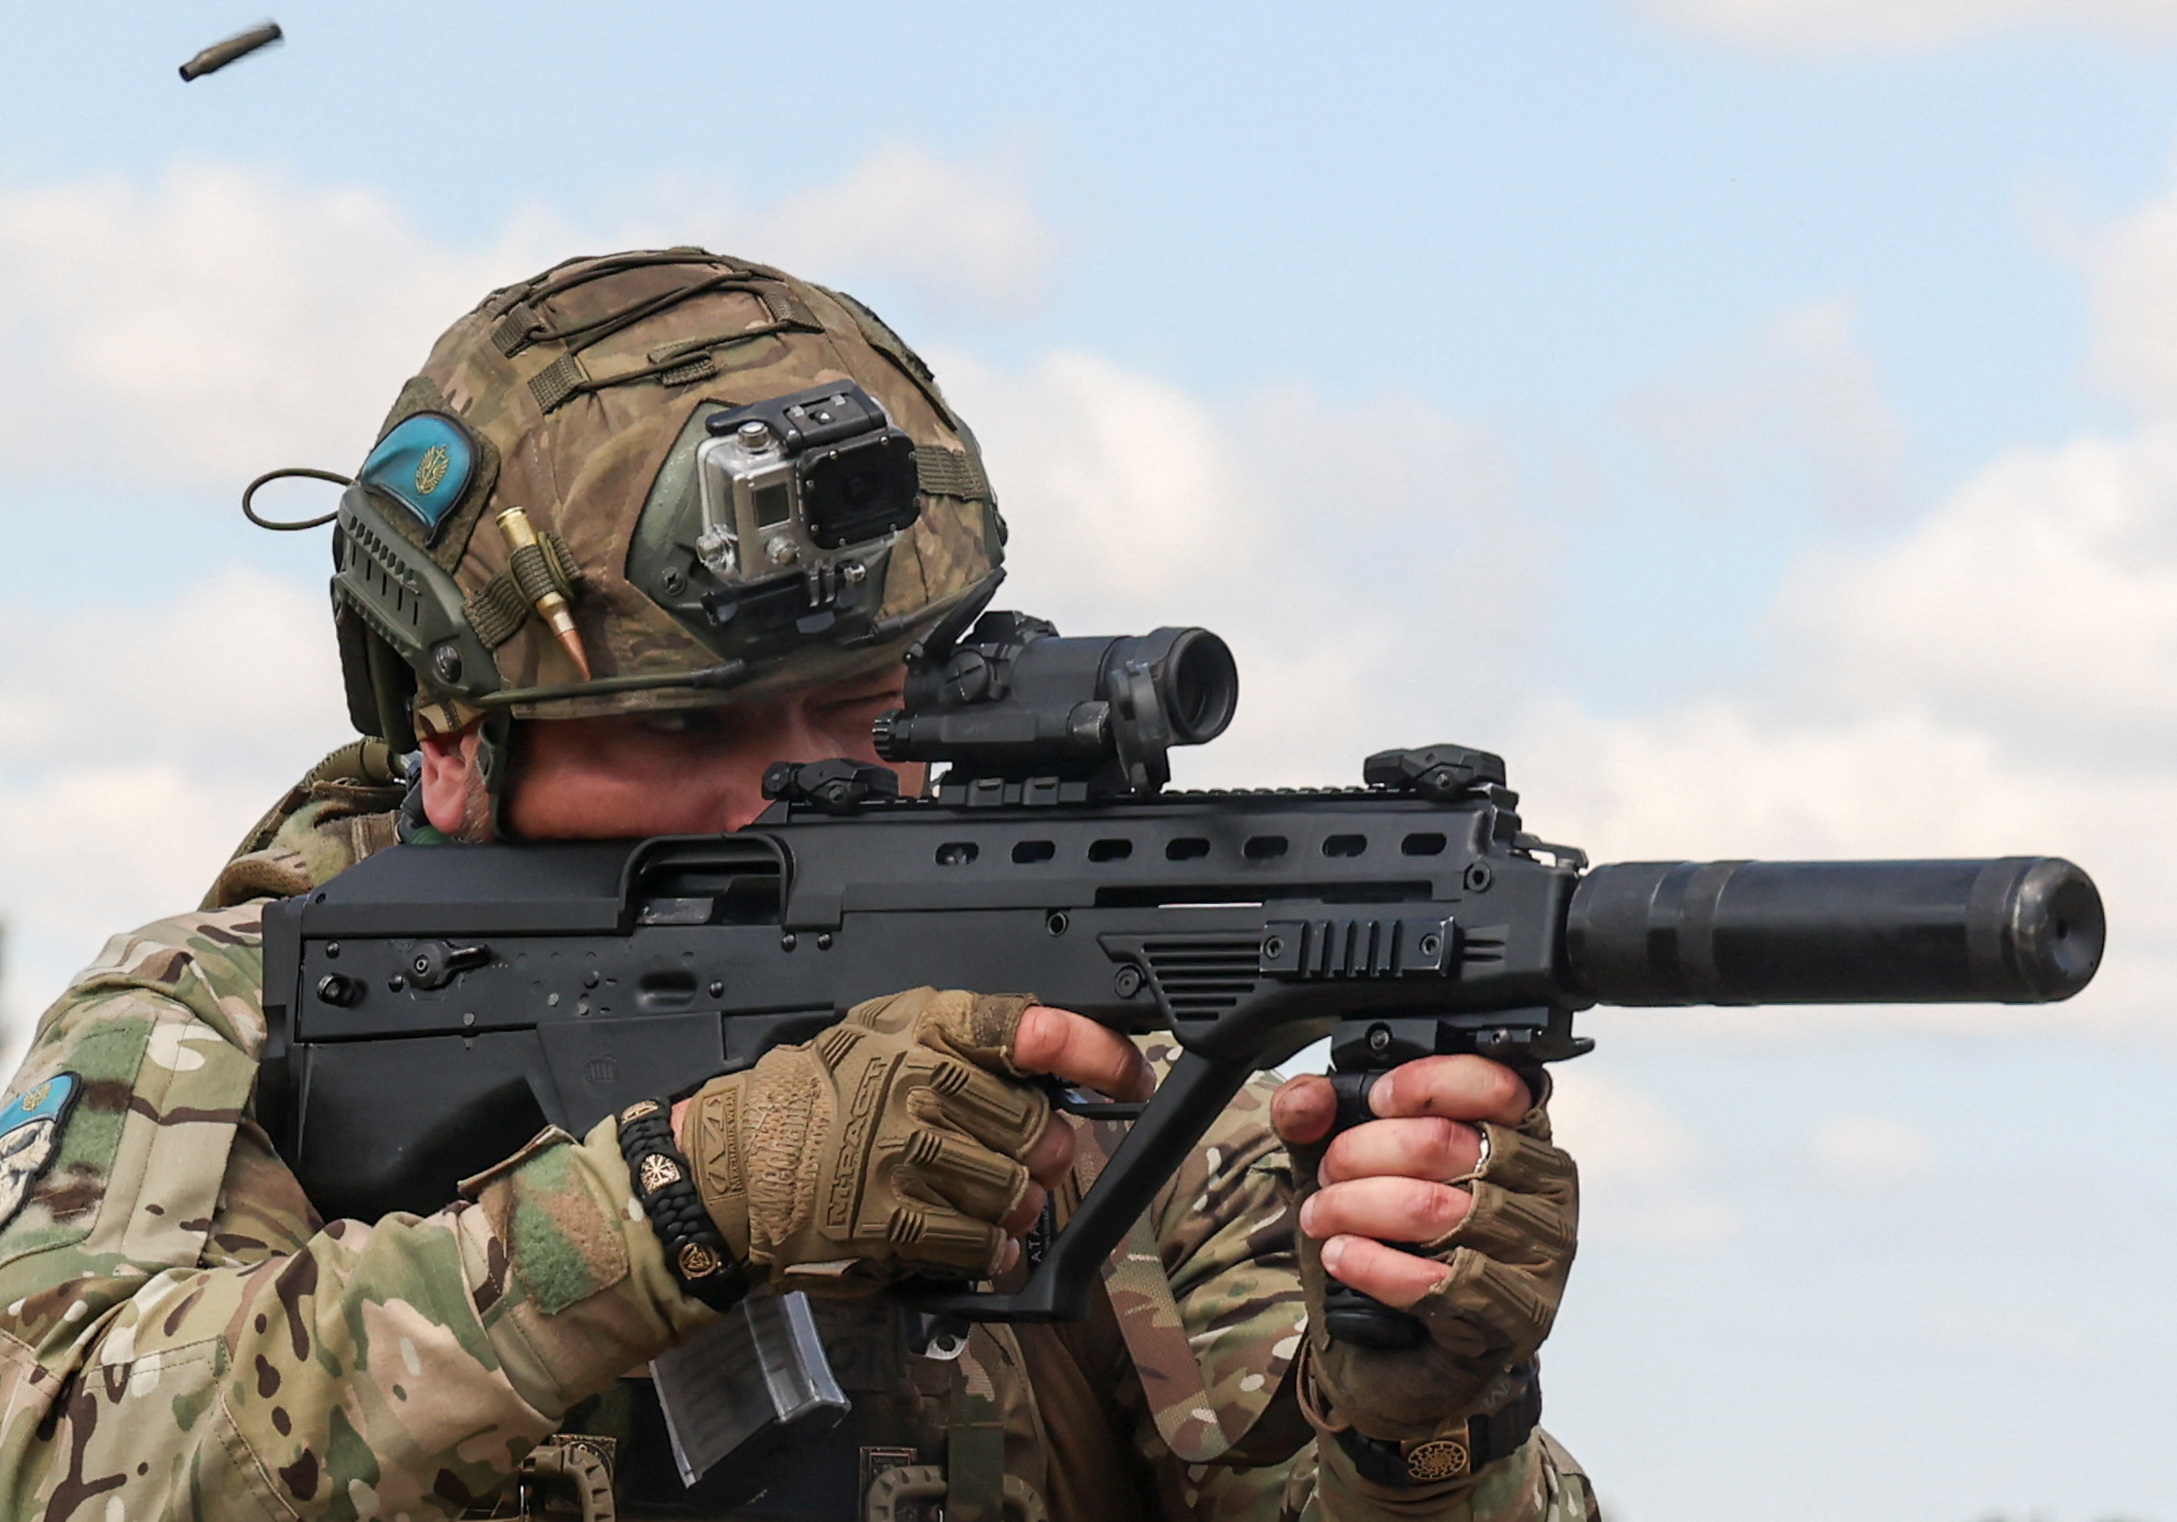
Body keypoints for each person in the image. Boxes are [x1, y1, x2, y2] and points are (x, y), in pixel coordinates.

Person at [0, 250, 1592, 1521]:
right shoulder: (228, 1017)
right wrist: (685, 1202)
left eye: (866, 705)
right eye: (687, 724)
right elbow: (52, 1450)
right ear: (448, 741)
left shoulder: (1109, 1085)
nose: (793, 777)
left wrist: (1428, 1422)